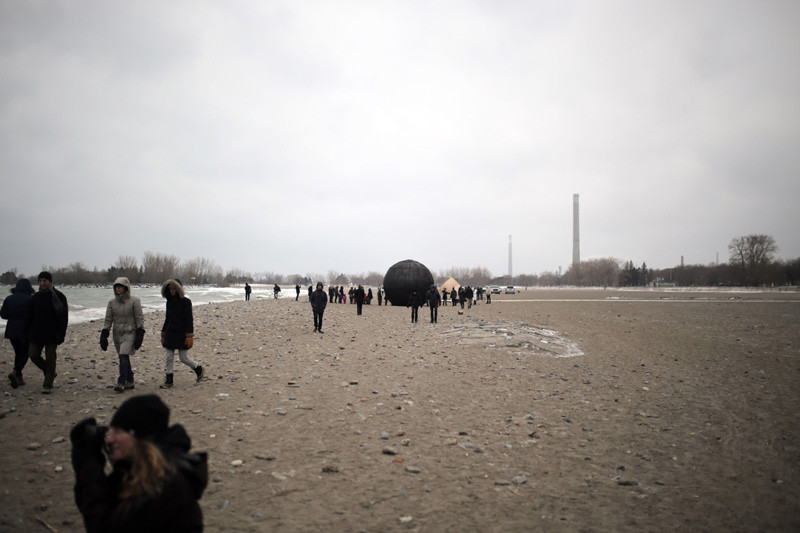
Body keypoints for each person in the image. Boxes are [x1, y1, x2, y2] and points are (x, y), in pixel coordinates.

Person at [70, 394, 207, 532]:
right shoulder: (138, 470)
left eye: (118, 432)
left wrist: (90, 467)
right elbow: (97, 506)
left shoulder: (166, 485)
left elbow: (102, 526)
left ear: (139, 439)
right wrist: (87, 461)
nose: (110, 439)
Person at [24, 271, 68, 394]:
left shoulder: (59, 297)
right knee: (33, 355)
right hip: (36, 333)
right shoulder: (35, 298)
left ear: (50, 281)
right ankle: (50, 372)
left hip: (52, 334)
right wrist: (25, 332)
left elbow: (63, 317)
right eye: (40, 281)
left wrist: (61, 334)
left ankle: (47, 384)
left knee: (50, 358)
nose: (42, 283)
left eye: (45, 280)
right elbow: (29, 317)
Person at [101, 277, 145, 393]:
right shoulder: (112, 303)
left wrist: (140, 333)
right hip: (117, 334)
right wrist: (104, 334)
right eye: (116, 287)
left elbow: (139, 318)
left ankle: (121, 382)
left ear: (126, 287)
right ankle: (130, 380)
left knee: (123, 356)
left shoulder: (134, 301)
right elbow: (108, 320)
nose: (118, 289)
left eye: (120, 286)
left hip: (130, 332)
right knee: (123, 356)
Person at [160, 280, 204, 388]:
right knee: (169, 357)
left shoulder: (186, 302)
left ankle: (198, 369)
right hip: (170, 333)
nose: (172, 291)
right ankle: (169, 380)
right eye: (170, 289)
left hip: (182, 334)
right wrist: (163, 333)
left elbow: (189, 320)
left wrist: (189, 336)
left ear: (179, 289)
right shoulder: (168, 302)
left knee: (183, 358)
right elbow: (167, 318)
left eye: (174, 289)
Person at [1, 278, 35, 388]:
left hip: (11, 330)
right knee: (25, 353)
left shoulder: (8, 299)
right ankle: (15, 372)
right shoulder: (30, 299)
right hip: (25, 330)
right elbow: (34, 315)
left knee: (18, 353)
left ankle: (19, 378)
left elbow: (3, 315)